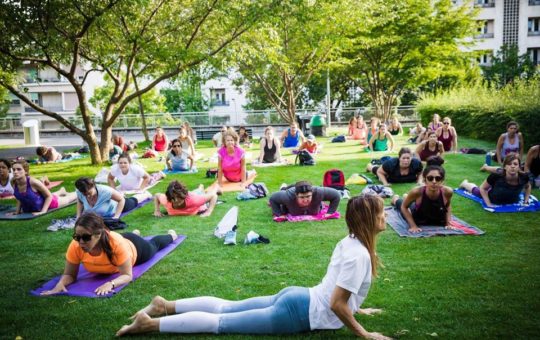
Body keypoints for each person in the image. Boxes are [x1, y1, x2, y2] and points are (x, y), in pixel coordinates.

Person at [116, 194, 390, 339]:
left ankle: (165, 305)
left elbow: (339, 291)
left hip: (298, 298)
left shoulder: (351, 241)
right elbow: (337, 303)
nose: (385, 216)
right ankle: (151, 324)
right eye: (381, 212)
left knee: (226, 307)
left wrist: (358, 307)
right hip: (298, 312)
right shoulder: (359, 255)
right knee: (220, 323)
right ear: (369, 220)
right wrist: (364, 334)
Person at [40, 212, 177, 296]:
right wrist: (60, 284)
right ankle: (134, 233)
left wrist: (110, 284)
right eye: (77, 237)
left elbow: (127, 276)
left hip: (135, 248)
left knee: (154, 245)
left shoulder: (115, 243)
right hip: (120, 240)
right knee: (121, 238)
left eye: (86, 237)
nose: (81, 242)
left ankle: (171, 236)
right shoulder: (76, 245)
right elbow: (70, 275)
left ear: (98, 234)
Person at [391, 159, 453, 233]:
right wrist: (413, 225)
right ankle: (395, 199)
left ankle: (406, 197)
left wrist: (448, 223)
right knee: (402, 204)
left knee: (412, 202)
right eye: (430, 178)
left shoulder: (447, 192)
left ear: (442, 181)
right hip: (417, 214)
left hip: (432, 214)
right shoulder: (417, 191)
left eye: (438, 178)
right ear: (424, 180)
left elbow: (448, 206)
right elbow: (404, 207)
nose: (434, 182)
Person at [459, 153, 531, 207]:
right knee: (477, 191)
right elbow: (483, 188)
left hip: (502, 185)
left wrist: (526, 200)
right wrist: (488, 204)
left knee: (499, 170)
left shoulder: (524, 177)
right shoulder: (496, 176)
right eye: (509, 164)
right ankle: (465, 183)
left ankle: (486, 167)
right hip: (493, 195)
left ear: (519, 167)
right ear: (505, 166)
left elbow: (528, 187)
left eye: (515, 164)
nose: (512, 166)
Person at [9, 160, 77, 216]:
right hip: (35, 204)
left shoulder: (33, 182)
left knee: (68, 198)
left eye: (19, 169)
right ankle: (61, 191)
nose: (15, 172)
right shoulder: (13, 182)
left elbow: (49, 196)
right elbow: (19, 197)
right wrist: (17, 211)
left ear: (26, 171)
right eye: (14, 169)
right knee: (39, 194)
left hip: (51, 203)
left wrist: (43, 211)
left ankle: (78, 193)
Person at [75, 177, 152, 219]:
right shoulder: (80, 192)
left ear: (94, 186)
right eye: (84, 194)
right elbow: (80, 201)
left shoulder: (105, 191)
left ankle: (145, 194)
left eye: (89, 193)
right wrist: (78, 215)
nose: (87, 196)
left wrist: (116, 216)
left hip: (116, 205)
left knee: (133, 201)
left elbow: (121, 200)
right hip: (100, 211)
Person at [269, 181, 341, 218]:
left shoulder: (319, 192)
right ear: (296, 195)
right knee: (284, 190)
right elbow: (272, 199)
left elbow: (336, 195)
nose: (305, 200)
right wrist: (279, 214)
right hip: (289, 190)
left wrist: (330, 212)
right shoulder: (287, 196)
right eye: (302, 197)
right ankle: (283, 187)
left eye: (308, 196)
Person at [154, 180, 219, 218]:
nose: (176, 201)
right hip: (192, 194)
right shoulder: (166, 200)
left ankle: (216, 187)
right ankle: (200, 188)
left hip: (195, 195)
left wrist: (209, 211)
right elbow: (156, 195)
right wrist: (157, 210)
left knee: (202, 193)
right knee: (197, 191)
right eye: (173, 198)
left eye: (179, 198)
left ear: (184, 196)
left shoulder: (194, 200)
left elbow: (214, 196)